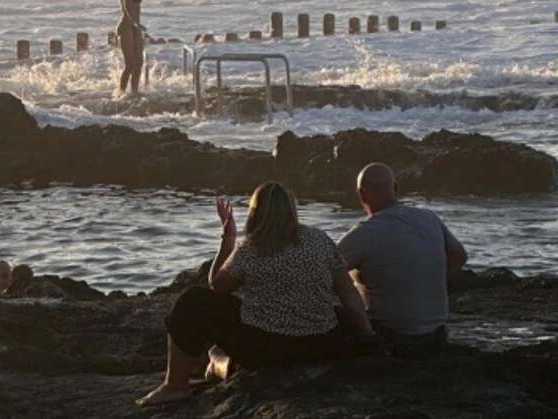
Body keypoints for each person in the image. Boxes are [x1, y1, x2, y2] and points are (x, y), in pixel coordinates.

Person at [138, 182, 374, 407]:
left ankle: (177, 385)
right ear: (292, 210)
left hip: (266, 350)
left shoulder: (252, 247)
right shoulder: (319, 239)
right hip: (319, 346)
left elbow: (217, 287)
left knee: (193, 301)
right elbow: (348, 293)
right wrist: (368, 336)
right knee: (337, 312)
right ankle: (219, 362)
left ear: (255, 212)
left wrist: (229, 237)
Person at [338, 163, 468, 359]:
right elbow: (460, 256)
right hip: (436, 336)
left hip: (391, 337)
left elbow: (322, 271)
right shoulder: (428, 217)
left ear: (361, 195)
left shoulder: (364, 233)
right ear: (396, 188)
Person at [116, 0, 146, 97]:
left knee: (139, 62)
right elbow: (126, 9)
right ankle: (121, 91)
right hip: (127, 27)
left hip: (136, 27)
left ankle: (134, 91)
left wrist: (138, 25)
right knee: (130, 64)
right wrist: (134, 24)